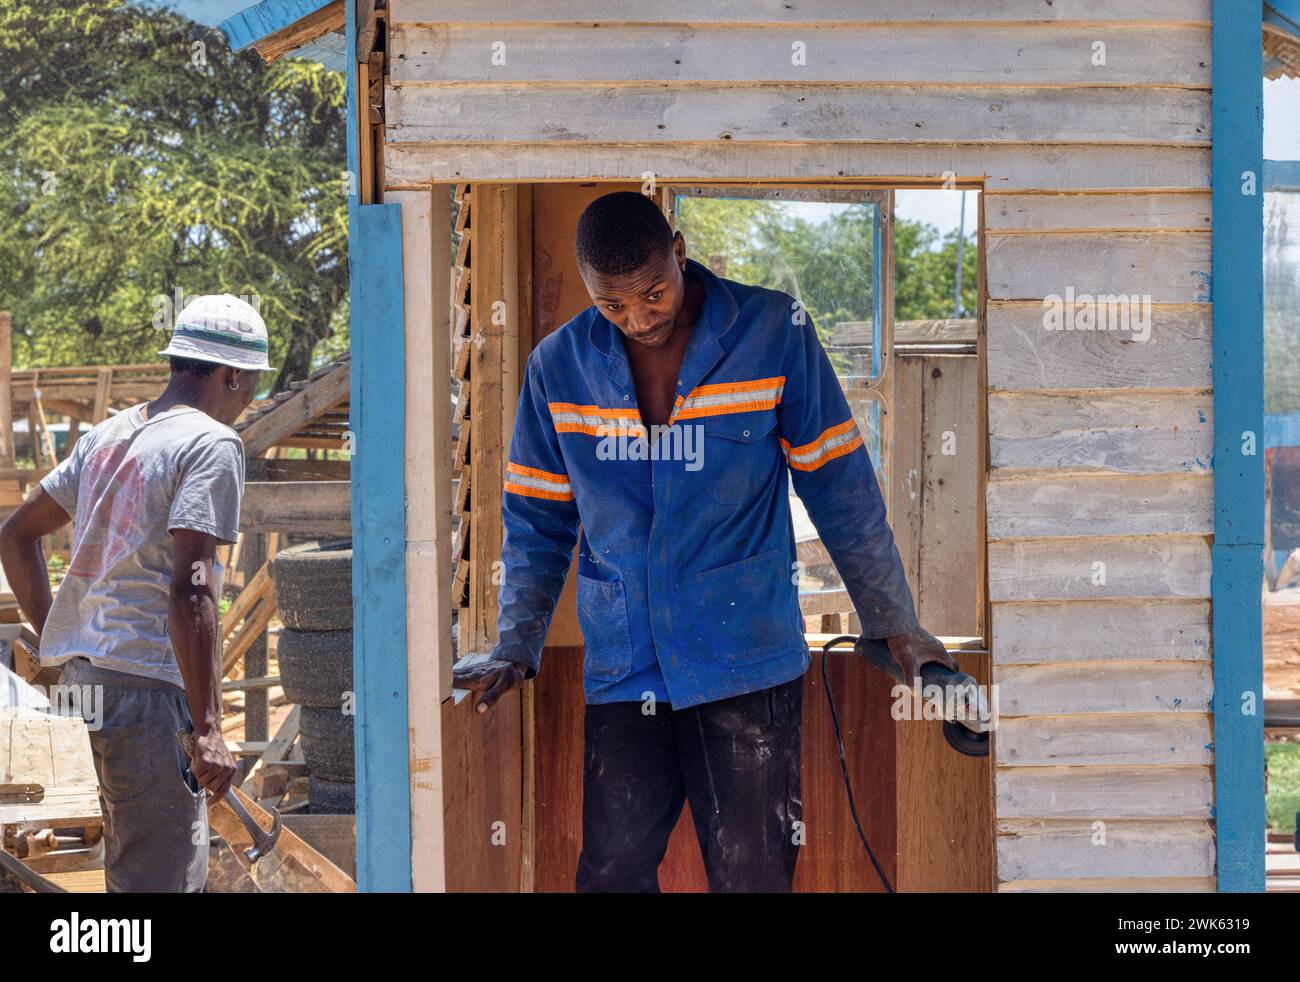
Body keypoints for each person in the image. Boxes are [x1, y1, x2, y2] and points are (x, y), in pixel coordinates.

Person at [452, 191, 956, 892]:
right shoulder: (555, 368)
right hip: (627, 663)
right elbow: (537, 523)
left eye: (653, 293)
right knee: (611, 873)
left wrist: (894, 621)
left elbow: (841, 490)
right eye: (612, 306)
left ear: (680, 251)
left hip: (745, 657)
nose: (639, 319)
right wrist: (516, 642)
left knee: (752, 876)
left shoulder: (774, 331)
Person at [0, 294, 269, 892]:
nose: (248, 399)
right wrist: (207, 727)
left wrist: (55, 642)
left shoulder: (107, 436)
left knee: (128, 867)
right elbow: (190, 589)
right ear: (232, 375)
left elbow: (15, 536)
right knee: (158, 883)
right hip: (148, 693)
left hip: (84, 688)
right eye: (251, 384)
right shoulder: (211, 444)